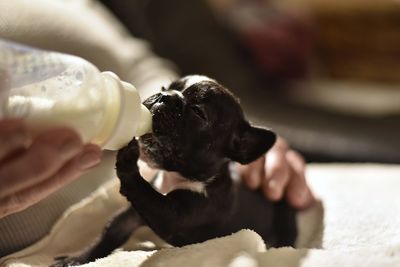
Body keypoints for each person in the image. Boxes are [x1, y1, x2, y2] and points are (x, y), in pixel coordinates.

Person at [0, 0, 314, 256]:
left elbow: (145, 68)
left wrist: (165, 100)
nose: (165, 98)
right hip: (51, 239)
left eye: (197, 113)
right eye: (167, 93)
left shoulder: (208, 191)